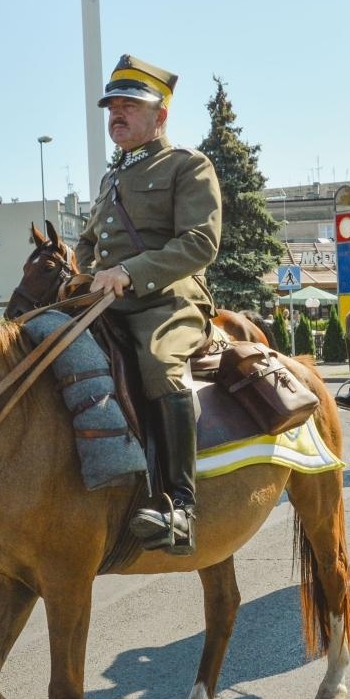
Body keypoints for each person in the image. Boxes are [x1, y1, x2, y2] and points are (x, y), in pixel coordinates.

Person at [78, 54, 222, 556]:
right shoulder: (111, 178)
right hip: (107, 302)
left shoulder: (188, 165)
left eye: (129, 105)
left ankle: (180, 505)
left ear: (160, 115)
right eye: (112, 106)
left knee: (159, 364)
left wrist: (130, 272)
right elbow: (88, 241)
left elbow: (201, 243)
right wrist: (76, 276)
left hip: (168, 301)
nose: (117, 113)